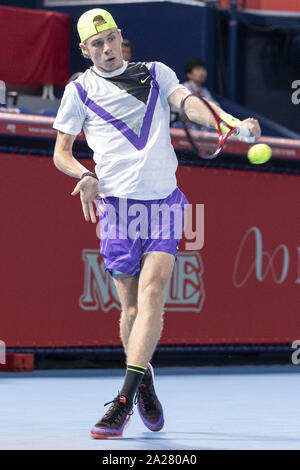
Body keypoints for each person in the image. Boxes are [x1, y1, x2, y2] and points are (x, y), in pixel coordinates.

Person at [52, 8, 261, 439]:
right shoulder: (79, 92)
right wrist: (85, 175)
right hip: (117, 209)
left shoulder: (156, 74)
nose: (106, 48)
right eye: (96, 43)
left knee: (153, 292)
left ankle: (123, 400)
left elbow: (190, 104)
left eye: (111, 38)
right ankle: (144, 377)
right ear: (84, 49)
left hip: (164, 203)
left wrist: (229, 122)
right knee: (129, 309)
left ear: (120, 36)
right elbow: (62, 152)